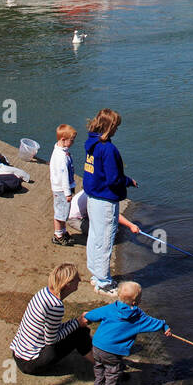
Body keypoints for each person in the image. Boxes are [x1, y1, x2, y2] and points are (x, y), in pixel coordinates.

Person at [82, 108, 137, 296]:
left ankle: (95, 274)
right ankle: (104, 282)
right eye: (116, 127)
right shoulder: (108, 149)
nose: (117, 130)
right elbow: (114, 179)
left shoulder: (92, 144)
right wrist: (128, 181)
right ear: (110, 127)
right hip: (105, 200)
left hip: (92, 197)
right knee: (105, 240)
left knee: (94, 236)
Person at [82, 281, 170, 385]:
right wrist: (164, 326)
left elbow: (94, 314)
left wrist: (87, 316)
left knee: (99, 365)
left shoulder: (110, 308)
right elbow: (152, 323)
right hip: (112, 350)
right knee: (113, 369)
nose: (141, 300)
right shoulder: (137, 317)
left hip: (97, 344)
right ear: (134, 302)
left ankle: (99, 381)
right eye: (139, 298)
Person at [10, 264, 94, 375]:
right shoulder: (55, 306)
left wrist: (77, 322)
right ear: (68, 284)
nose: (80, 279)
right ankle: (103, 365)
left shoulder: (44, 293)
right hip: (30, 363)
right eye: (76, 278)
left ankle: (95, 351)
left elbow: (53, 329)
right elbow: (52, 340)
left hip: (19, 354)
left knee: (78, 329)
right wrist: (77, 323)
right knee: (79, 334)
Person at [67, 189, 140, 238]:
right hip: (74, 219)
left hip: (85, 214)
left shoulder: (95, 189)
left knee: (114, 224)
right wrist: (131, 225)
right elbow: (112, 214)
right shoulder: (97, 197)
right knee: (110, 233)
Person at [50, 123, 77, 246]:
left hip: (62, 188)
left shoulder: (60, 151)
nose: (73, 142)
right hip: (62, 189)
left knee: (64, 211)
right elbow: (64, 176)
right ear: (63, 139)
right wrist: (67, 193)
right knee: (60, 213)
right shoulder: (61, 157)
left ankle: (63, 231)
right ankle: (58, 234)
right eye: (71, 140)